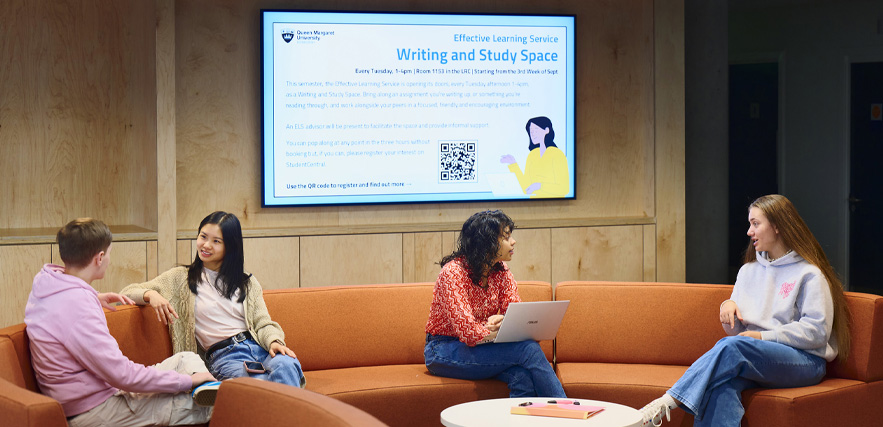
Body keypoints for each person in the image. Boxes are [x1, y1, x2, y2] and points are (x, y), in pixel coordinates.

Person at [639, 194, 851, 427]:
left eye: (755, 224)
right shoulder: (748, 271)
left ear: (778, 226)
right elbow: (737, 334)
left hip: (805, 362)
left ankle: (666, 403)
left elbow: (817, 332)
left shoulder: (809, 274)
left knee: (730, 348)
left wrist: (762, 336)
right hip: (757, 357)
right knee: (721, 384)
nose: (749, 231)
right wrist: (728, 308)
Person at [24, 218, 218, 427]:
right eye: (108, 254)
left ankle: (207, 388)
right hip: (95, 409)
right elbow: (123, 376)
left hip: (89, 393)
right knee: (213, 405)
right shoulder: (79, 309)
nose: (108, 259)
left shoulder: (46, 282)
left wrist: (93, 296)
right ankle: (208, 390)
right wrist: (187, 382)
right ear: (99, 258)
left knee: (186, 359)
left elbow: (62, 313)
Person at [121, 211, 305, 388]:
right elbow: (128, 292)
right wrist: (151, 295)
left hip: (260, 348)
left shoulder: (246, 282)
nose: (206, 245)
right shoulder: (180, 279)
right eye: (203, 237)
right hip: (224, 357)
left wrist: (273, 341)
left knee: (288, 365)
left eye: (216, 241)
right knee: (261, 385)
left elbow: (262, 323)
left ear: (230, 247)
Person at [424, 210, 567, 398]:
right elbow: (469, 333)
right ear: (487, 241)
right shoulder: (453, 273)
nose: (513, 241)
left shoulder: (501, 270)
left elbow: (517, 316)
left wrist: (507, 321)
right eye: (506, 236)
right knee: (528, 349)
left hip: (481, 346)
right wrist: (501, 328)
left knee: (522, 377)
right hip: (443, 350)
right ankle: (567, 414)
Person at [500, 116, 570, 198]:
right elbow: (526, 188)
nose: (532, 134)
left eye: (536, 129)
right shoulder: (532, 155)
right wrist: (513, 164)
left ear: (546, 130)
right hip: (533, 204)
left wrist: (540, 186)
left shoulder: (557, 154)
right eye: (531, 131)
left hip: (555, 204)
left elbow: (564, 188)